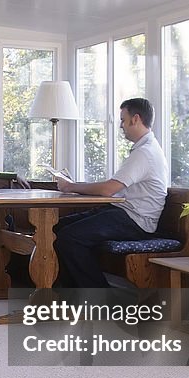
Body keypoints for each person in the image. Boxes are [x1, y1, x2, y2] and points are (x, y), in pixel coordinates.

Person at [53, 97, 169, 287]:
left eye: (123, 120)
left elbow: (108, 189)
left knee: (69, 237)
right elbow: (113, 188)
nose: (121, 126)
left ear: (135, 119)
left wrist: (70, 186)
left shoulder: (145, 152)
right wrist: (75, 185)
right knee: (54, 229)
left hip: (136, 221)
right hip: (121, 212)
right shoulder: (144, 149)